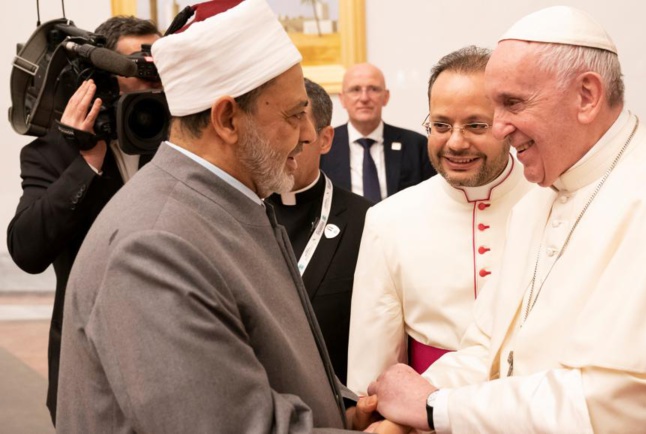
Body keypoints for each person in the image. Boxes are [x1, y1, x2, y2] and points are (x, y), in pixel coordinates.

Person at [368, 6, 646, 433]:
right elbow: (491, 349)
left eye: (512, 103)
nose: (499, 128)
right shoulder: (536, 203)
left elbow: (614, 406)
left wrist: (434, 408)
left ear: (586, 96)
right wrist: (406, 402)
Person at [55, 1, 377, 431]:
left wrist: (350, 414)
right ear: (227, 118)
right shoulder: (155, 246)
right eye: (294, 114)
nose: (306, 134)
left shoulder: (225, 203)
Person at [346, 46, 531, 396]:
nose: (456, 143)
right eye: (441, 125)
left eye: (476, 125)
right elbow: (371, 369)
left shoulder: (550, 201)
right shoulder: (388, 220)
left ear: (507, 122)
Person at [5, 15, 161, 423]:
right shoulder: (53, 153)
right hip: (92, 362)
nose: (153, 78)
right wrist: (86, 161)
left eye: (161, 65)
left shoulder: (184, 141)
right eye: (138, 67)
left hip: (173, 355)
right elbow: (27, 250)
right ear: (105, 76)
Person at [266, 78, 372, 385]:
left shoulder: (366, 220)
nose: (285, 147)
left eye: (299, 137)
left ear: (325, 139)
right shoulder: (237, 215)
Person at [321, 63, 435, 202]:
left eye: (373, 89)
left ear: (386, 97)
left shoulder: (416, 145)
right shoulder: (324, 146)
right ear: (342, 99)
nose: (364, 98)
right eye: (355, 90)